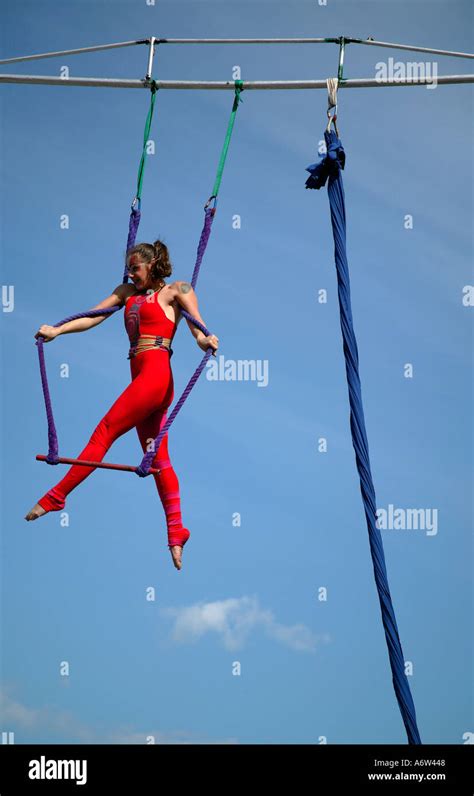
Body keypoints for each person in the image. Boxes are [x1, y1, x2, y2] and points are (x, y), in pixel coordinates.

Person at [24, 240, 219, 571]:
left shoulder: (176, 290)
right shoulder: (127, 292)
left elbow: (197, 327)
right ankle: (176, 533)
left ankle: (57, 496)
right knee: (158, 455)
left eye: (136, 268)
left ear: (153, 264)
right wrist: (57, 331)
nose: (131, 273)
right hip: (141, 375)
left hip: (156, 375)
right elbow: (93, 316)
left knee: (105, 431)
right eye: (129, 268)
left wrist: (205, 341)